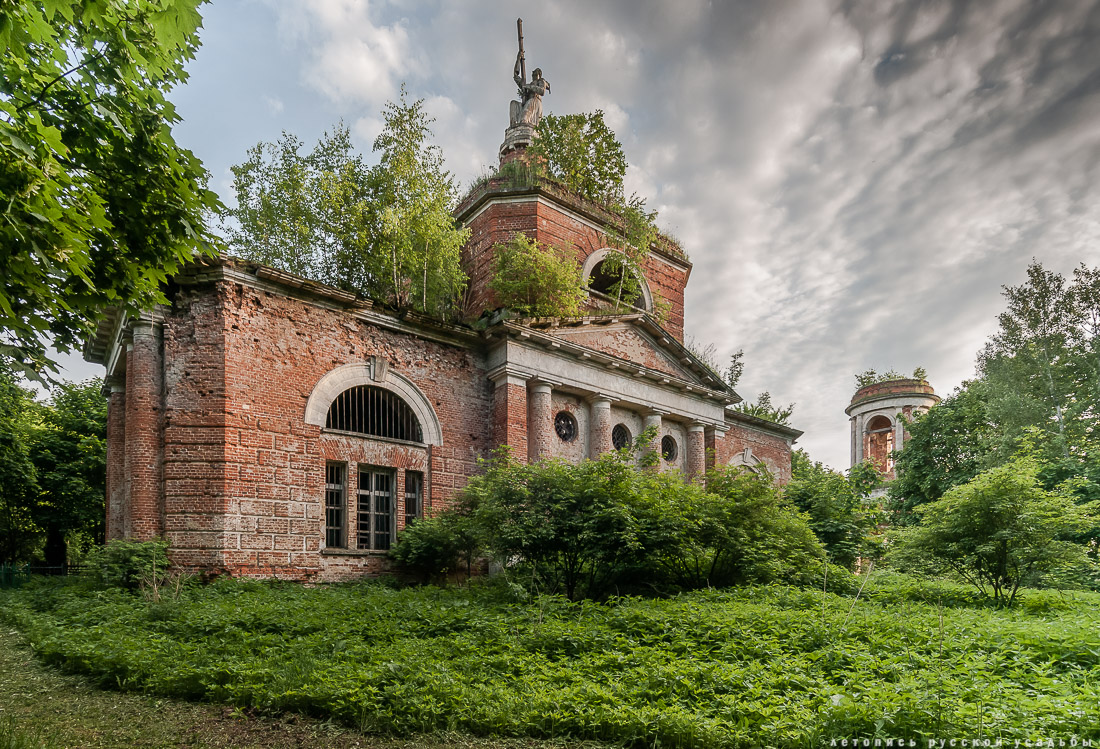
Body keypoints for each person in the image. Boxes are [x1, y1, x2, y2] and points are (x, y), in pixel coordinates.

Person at [511, 51, 550, 127]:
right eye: (533, 74)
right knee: (513, 104)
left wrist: (529, 87)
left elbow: (542, 91)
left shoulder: (541, 81)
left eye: (535, 74)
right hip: (527, 102)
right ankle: (514, 126)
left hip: (535, 102)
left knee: (524, 120)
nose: (533, 75)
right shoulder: (526, 84)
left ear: (539, 75)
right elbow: (516, 76)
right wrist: (518, 59)